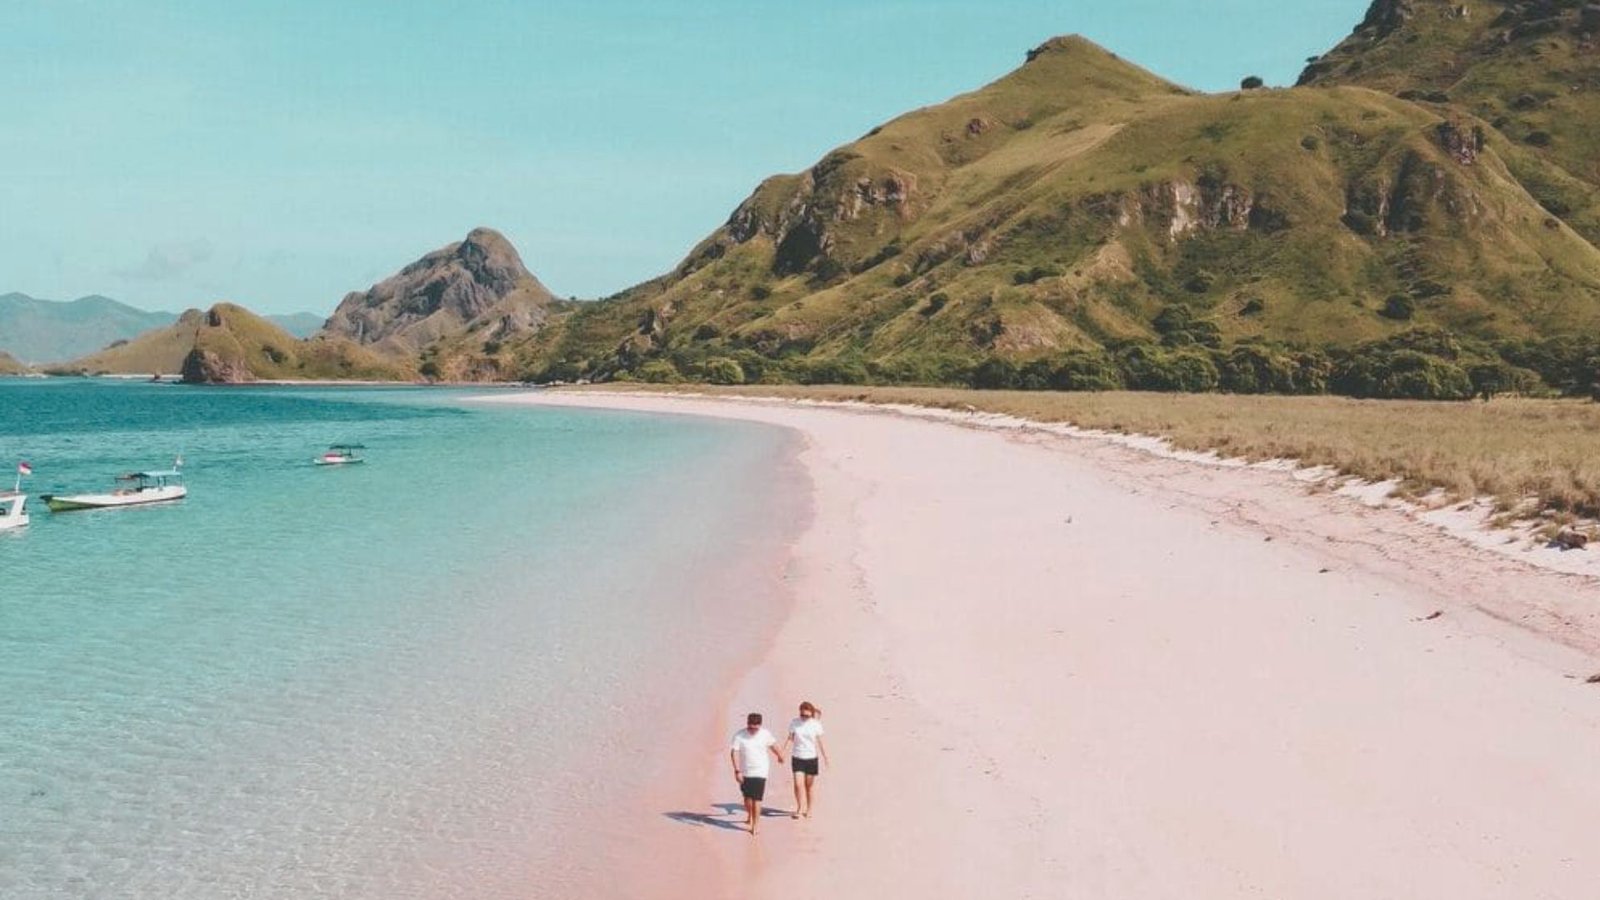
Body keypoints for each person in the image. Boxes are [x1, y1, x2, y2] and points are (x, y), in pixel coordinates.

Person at [729, 712, 784, 835]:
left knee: (757, 799)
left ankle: (755, 825)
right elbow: (734, 753)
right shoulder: (739, 735)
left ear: (760, 725)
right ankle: (750, 815)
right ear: (747, 724)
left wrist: (780, 755)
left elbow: (773, 745)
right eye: (750, 727)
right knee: (747, 799)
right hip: (745, 771)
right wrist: (737, 771)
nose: (752, 730)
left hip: (761, 771)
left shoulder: (765, 734)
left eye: (755, 727)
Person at [782, 701, 828, 818]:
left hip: (811, 758)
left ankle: (809, 809)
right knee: (798, 784)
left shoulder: (816, 724)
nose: (804, 718)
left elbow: (820, 742)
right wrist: (783, 752)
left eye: (807, 716)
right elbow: (790, 738)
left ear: (811, 714)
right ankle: (799, 807)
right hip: (797, 757)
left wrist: (825, 757)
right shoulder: (794, 723)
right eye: (802, 715)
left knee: (809, 786)